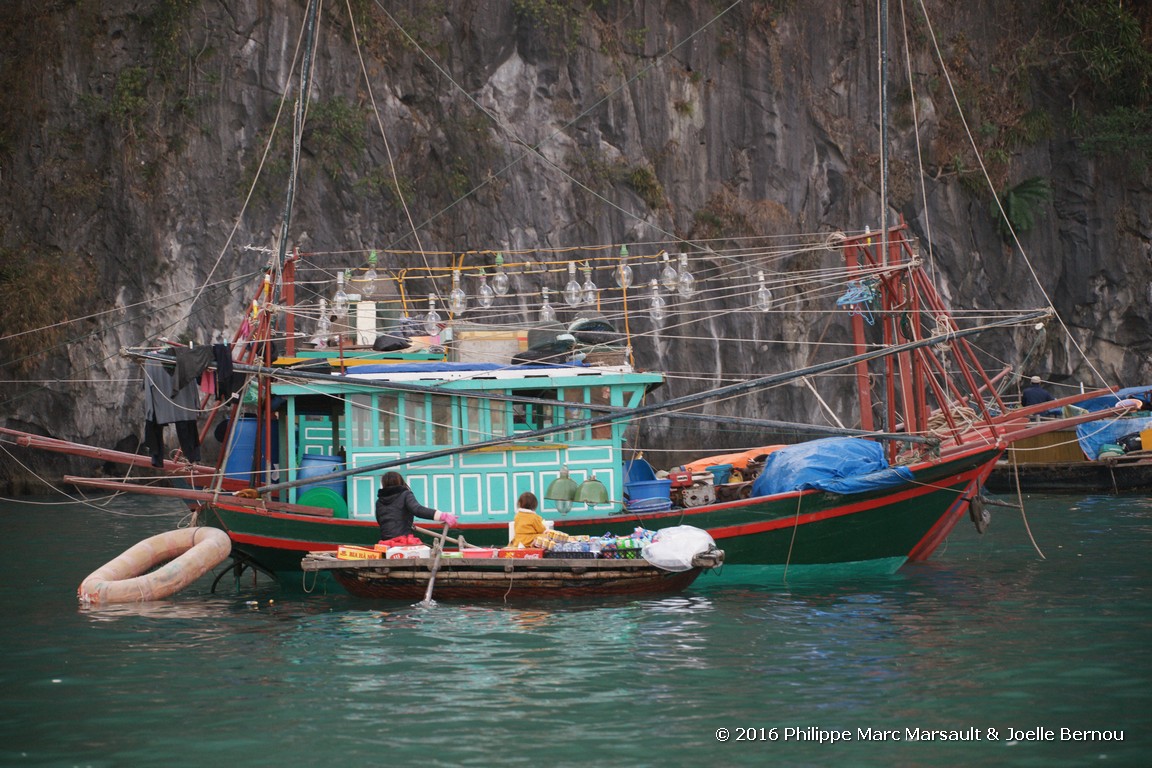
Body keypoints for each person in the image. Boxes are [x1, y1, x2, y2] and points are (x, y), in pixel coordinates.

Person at [375, 471, 457, 548]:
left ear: (384, 483)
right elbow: (417, 510)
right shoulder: (405, 494)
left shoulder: (379, 502)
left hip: (386, 544)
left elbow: (380, 521)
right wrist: (441, 516)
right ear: (400, 481)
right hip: (403, 543)